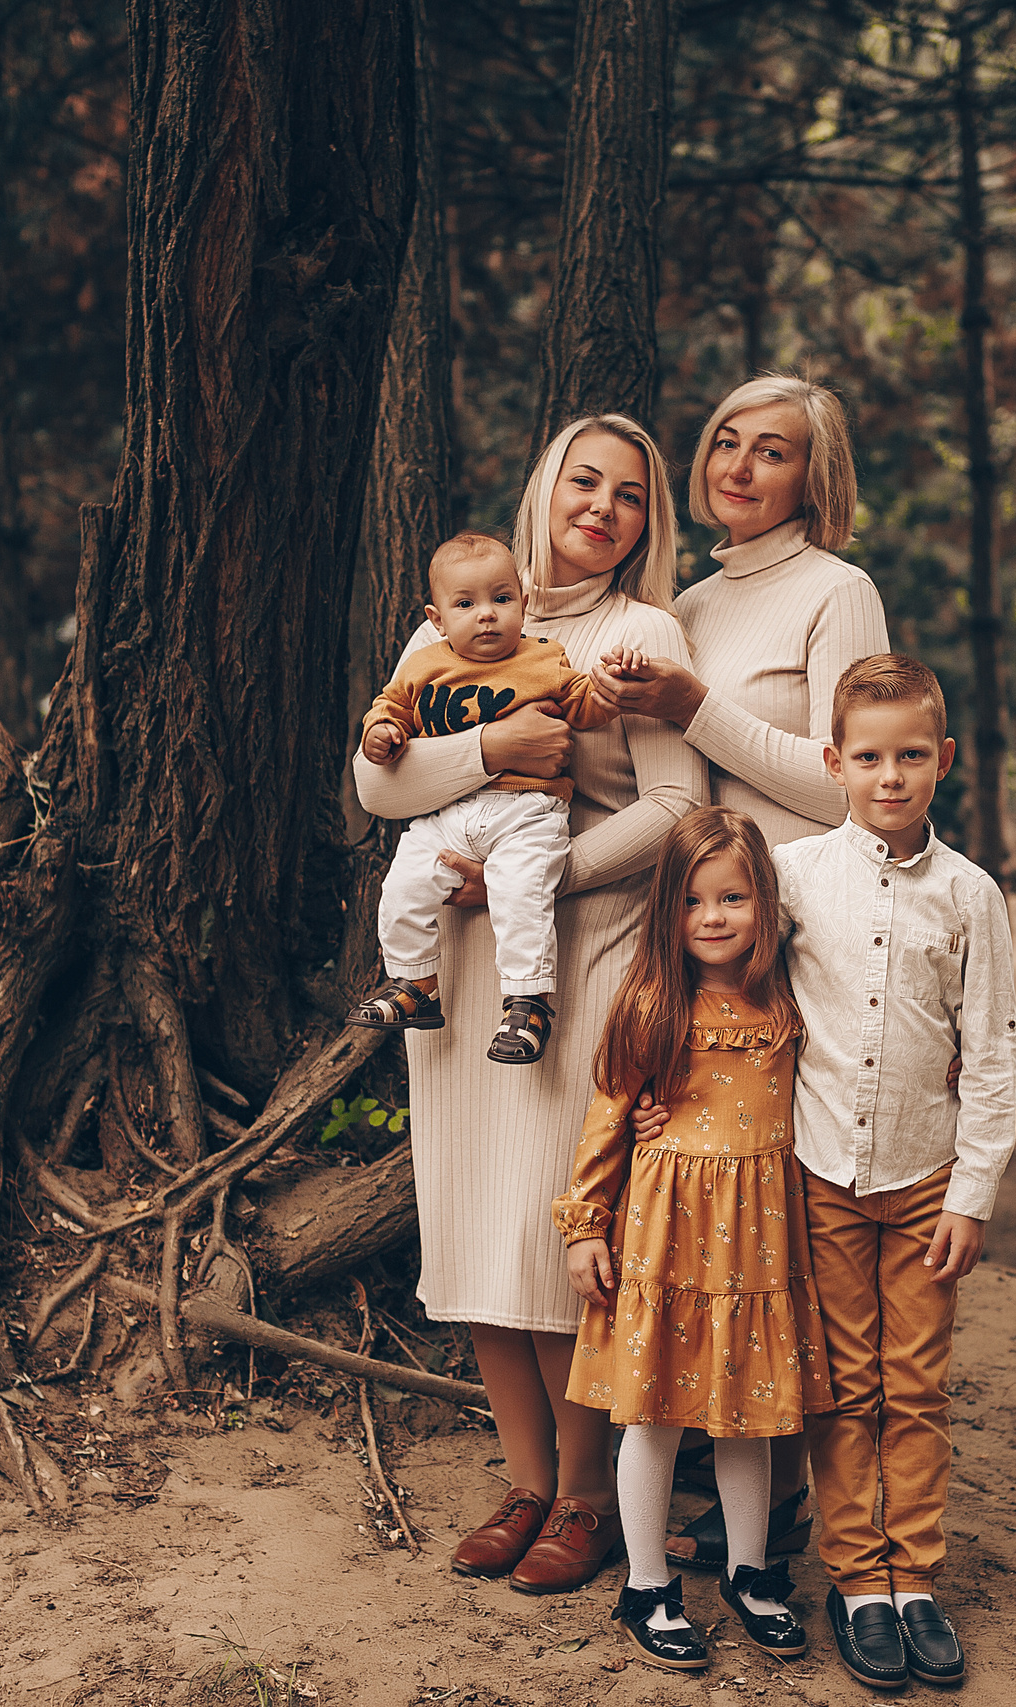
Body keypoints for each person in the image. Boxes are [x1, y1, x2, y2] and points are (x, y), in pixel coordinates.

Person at [350, 415, 704, 1594]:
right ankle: (524, 1481)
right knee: (471, 1234)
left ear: (646, 523)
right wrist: (496, 747)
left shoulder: (639, 632)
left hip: (576, 965)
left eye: (629, 494)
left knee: (558, 1242)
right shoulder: (450, 618)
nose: (601, 506)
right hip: (454, 976)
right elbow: (376, 784)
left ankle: (588, 1496)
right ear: (544, 490)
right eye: (582, 481)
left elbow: (675, 808)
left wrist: (540, 877)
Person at [586, 372, 890, 1576]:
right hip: (702, 946)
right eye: (725, 441)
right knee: (712, 1206)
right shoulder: (684, 603)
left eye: (773, 450)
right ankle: (711, 1461)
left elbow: (844, 781)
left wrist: (696, 705)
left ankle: (798, 1490)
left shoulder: (836, 591)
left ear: (816, 476)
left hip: (804, 938)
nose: (740, 466)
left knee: (790, 1217)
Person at [774, 653, 1016, 1691]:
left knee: (914, 1387)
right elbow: (734, 994)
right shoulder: (792, 875)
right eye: (869, 757)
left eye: (911, 755)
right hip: (821, 1172)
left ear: (943, 759)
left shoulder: (970, 894)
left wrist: (973, 1193)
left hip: (924, 1180)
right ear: (834, 762)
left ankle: (913, 1577)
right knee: (841, 1387)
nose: (890, 776)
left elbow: (991, 1052)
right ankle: (857, 1582)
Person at [552, 806, 830, 1672]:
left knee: (748, 1414)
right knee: (656, 1413)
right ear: (667, 909)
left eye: (733, 898)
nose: (713, 917)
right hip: (666, 1236)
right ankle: (647, 1585)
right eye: (693, 900)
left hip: (758, 1244)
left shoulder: (787, 998)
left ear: (764, 902)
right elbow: (607, 1118)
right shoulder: (651, 1005)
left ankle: (750, 1572)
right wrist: (584, 1225)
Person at [350, 532, 623, 1064]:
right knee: (403, 888)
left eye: (501, 599)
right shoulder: (423, 664)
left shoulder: (543, 658)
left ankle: (529, 1002)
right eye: (466, 604)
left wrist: (609, 690)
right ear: (437, 619)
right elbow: (390, 707)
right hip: (446, 813)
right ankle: (414, 985)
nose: (487, 615)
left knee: (522, 896)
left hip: (527, 809)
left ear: (523, 602)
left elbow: (583, 704)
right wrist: (380, 732)